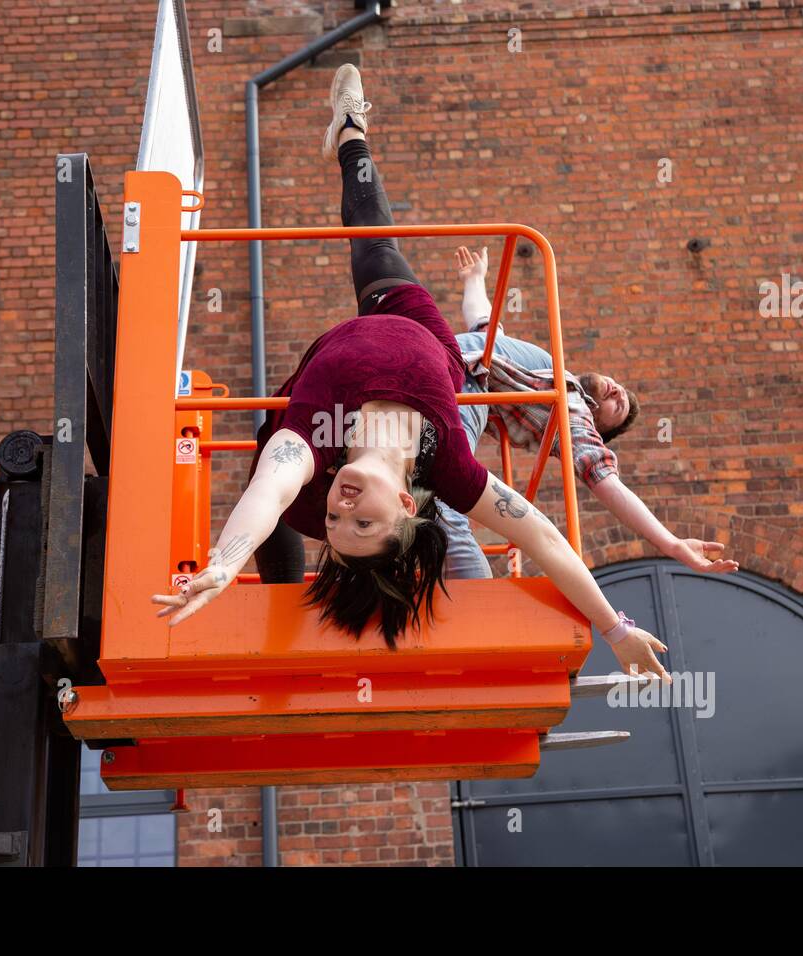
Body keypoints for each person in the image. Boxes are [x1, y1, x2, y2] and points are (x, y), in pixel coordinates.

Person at [151, 64, 670, 682]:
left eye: (338, 527)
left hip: (333, 369)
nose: (340, 513)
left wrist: (222, 564)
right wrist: (616, 629)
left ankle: (273, 609)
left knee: (275, 487)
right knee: (373, 240)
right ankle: (351, 135)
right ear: (404, 503)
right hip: (418, 337)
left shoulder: (311, 449)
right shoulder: (449, 465)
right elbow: (548, 542)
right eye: (361, 522)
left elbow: (271, 492)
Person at [437, 244, 740, 581]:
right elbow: (485, 328)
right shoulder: (552, 373)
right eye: (621, 389)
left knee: (446, 496)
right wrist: (474, 279)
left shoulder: (571, 410)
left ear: (596, 424)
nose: (618, 392)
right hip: (441, 360)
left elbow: (604, 478)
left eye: (618, 406)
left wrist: (670, 543)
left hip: (459, 386)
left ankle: (474, 605)